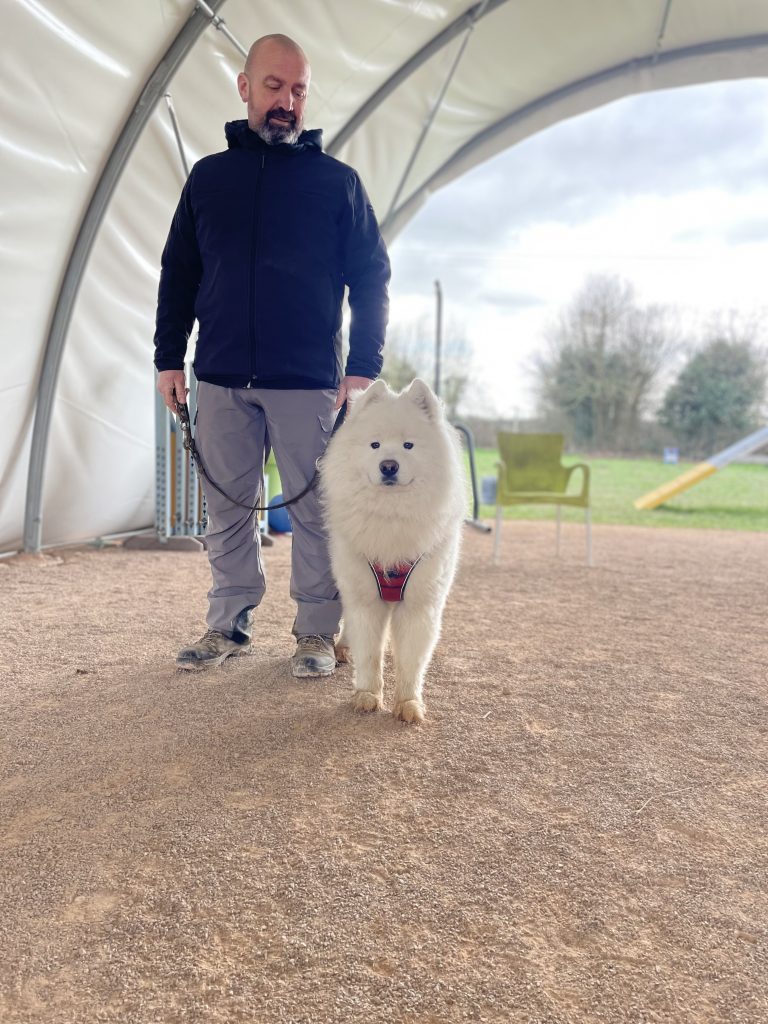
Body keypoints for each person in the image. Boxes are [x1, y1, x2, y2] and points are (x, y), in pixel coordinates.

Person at [153, 34, 390, 678]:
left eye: (299, 90)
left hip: (309, 380)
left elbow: (371, 276)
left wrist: (362, 368)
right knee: (227, 506)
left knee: (315, 512)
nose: (287, 101)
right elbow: (179, 272)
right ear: (244, 86)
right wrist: (168, 357)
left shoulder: (337, 184)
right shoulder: (208, 178)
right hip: (221, 374)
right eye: (274, 86)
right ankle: (227, 623)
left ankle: (316, 633)